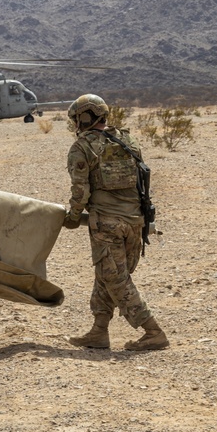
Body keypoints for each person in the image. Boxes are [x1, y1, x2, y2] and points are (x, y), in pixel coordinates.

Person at [62, 94, 169, 351]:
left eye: (77, 119)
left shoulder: (82, 147)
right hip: (136, 223)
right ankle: (99, 332)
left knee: (116, 279)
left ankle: (153, 331)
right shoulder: (127, 140)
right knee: (106, 275)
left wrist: (73, 217)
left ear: (84, 118)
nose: (76, 124)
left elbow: (80, 191)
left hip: (108, 225)